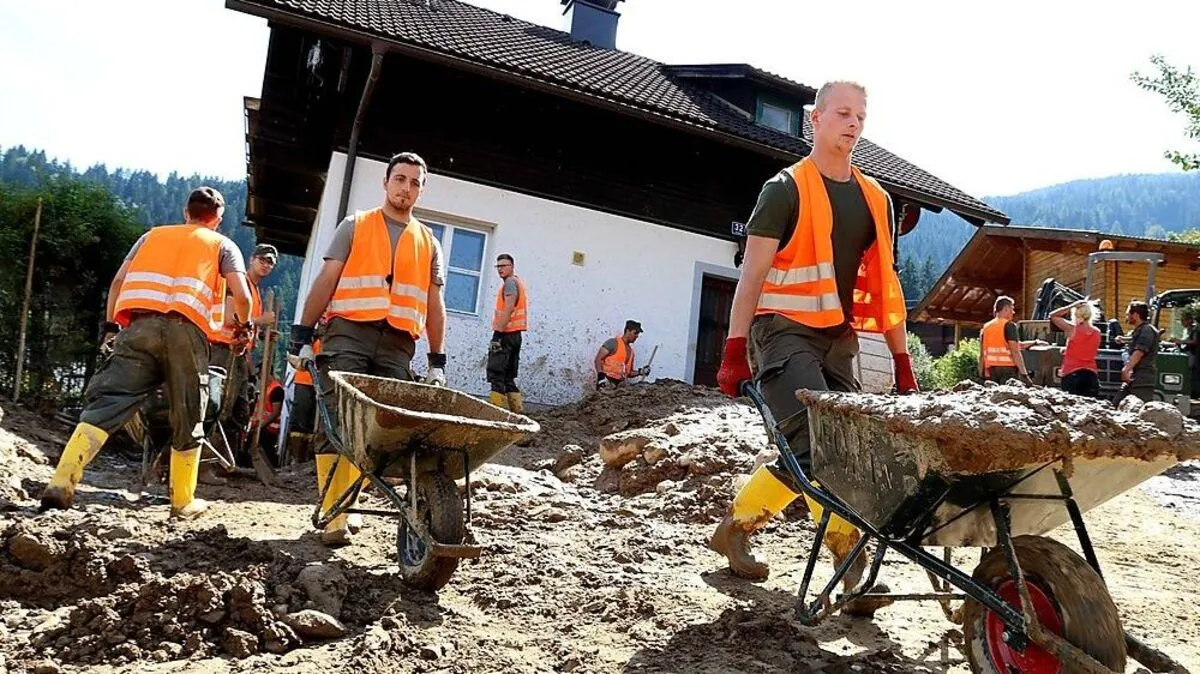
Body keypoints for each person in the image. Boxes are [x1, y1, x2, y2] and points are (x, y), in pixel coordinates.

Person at [709, 81, 918, 618]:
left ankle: (734, 528)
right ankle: (852, 567)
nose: (853, 123)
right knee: (822, 452)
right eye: (843, 113)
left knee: (832, 449)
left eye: (861, 116)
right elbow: (752, 274)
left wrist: (901, 359)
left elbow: (886, 283)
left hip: (838, 339)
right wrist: (734, 349)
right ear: (815, 119)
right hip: (782, 332)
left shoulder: (876, 199)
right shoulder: (784, 189)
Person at [40, 187, 252, 518]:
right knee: (189, 413)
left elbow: (118, 282)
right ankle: (182, 501)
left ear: (186, 212)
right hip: (186, 332)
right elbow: (242, 296)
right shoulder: (223, 245)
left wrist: (111, 327)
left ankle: (61, 482)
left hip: (138, 327)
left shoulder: (150, 237)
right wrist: (244, 328)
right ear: (218, 219)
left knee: (107, 404)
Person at [288, 151, 448, 546]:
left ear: (422, 190)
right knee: (337, 421)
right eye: (400, 179)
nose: (406, 188)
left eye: (415, 182)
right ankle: (334, 515)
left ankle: (349, 501)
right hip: (348, 334)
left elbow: (434, 303)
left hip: (398, 345)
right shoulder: (355, 225)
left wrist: (437, 360)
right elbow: (327, 279)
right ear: (386, 182)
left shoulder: (429, 243)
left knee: (380, 432)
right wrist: (301, 334)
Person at [203, 242, 279, 482]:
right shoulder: (238, 284)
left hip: (239, 354)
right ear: (251, 259)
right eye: (262, 260)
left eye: (270, 263)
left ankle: (223, 462)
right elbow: (228, 318)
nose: (266, 265)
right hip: (223, 350)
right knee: (217, 407)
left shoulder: (254, 290)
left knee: (239, 411)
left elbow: (247, 325)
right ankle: (204, 466)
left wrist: (260, 335)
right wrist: (260, 321)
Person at [487, 253, 528, 412]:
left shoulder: (510, 283)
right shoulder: (517, 282)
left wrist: (497, 335)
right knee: (508, 377)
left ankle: (494, 413)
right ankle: (518, 413)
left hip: (505, 334)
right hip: (516, 335)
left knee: (496, 374)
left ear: (512, 267)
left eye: (504, 266)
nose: (500, 269)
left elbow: (509, 308)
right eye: (498, 266)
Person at [979, 296, 1042, 384]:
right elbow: (1015, 351)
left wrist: (981, 374)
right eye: (1012, 309)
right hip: (1008, 370)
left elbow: (982, 354)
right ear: (1006, 309)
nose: (1013, 312)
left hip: (991, 371)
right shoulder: (1009, 325)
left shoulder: (986, 327)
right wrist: (1024, 374)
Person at [1049, 299, 1101, 397]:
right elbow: (1086, 349)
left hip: (1072, 373)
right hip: (1091, 375)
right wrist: (1068, 349)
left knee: (1071, 405)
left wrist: (1071, 305)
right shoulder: (1097, 332)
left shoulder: (1072, 329)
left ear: (1075, 314)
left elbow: (1053, 315)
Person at [1117, 300, 1159, 404]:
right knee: (1117, 404)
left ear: (1135, 315)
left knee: (1139, 408)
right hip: (1133, 379)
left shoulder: (1147, 330)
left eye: (1128, 314)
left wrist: (1126, 369)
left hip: (1142, 380)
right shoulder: (1139, 330)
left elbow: (1139, 351)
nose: (1127, 317)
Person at [594, 320, 650, 387]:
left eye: (638, 334)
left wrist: (641, 372)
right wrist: (600, 377)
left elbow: (629, 373)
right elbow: (597, 359)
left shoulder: (631, 353)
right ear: (627, 331)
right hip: (606, 381)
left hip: (619, 386)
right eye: (635, 333)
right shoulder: (613, 343)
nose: (637, 336)